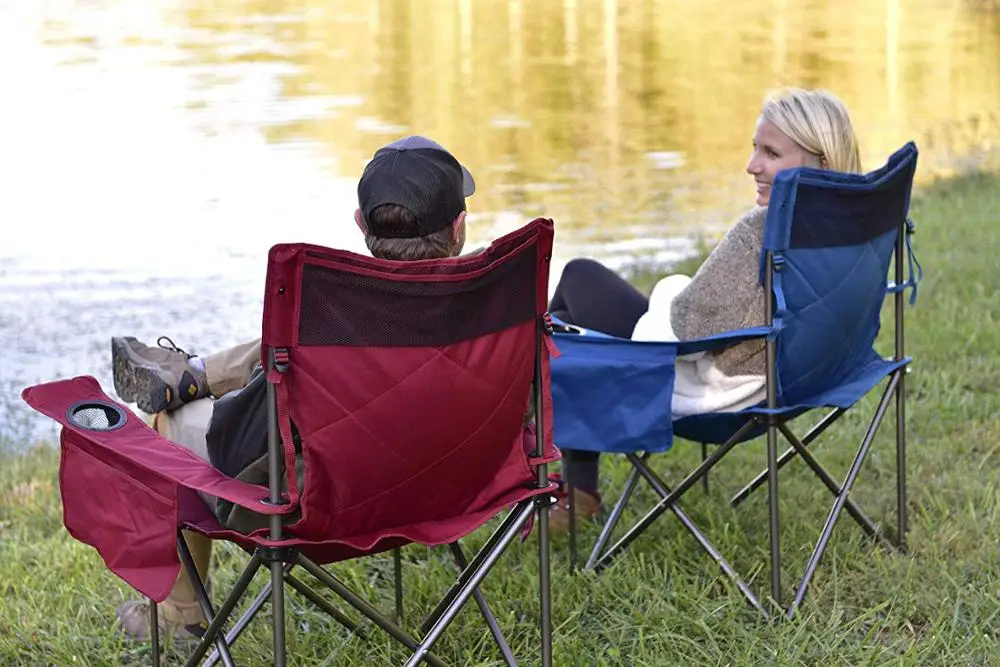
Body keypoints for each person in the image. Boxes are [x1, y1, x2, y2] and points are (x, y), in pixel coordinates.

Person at [110, 135, 482, 642]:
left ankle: (181, 616)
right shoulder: (498, 298)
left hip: (329, 501)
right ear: (458, 229)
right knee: (297, 343)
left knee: (174, 421)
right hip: (463, 484)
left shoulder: (330, 313)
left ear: (359, 223)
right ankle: (189, 371)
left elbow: (260, 422)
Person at [547, 87, 864, 531]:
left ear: (821, 163)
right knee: (565, 321)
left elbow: (684, 329)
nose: (752, 165)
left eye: (771, 153)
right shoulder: (854, 225)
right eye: (755, 148)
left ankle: (566, 482)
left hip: (723, 389)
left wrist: (673, 295)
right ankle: (575, 485)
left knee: (573, 292)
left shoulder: (761, 232)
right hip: (803, 376)